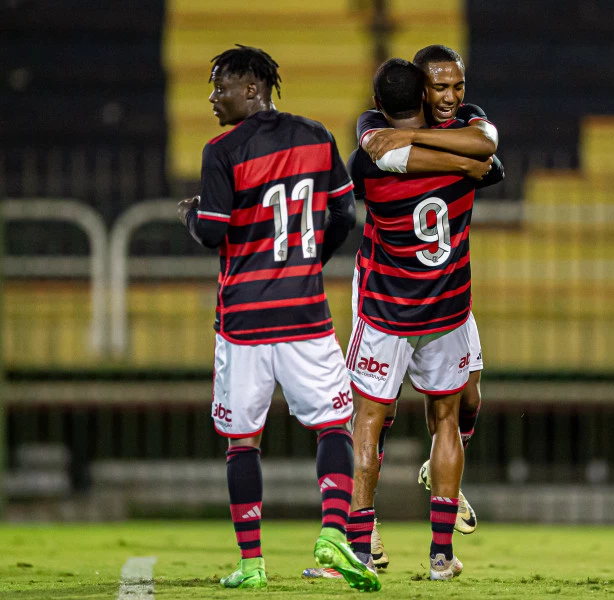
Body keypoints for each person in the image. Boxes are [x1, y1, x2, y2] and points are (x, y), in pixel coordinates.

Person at [176, 44, 380, 592]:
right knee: (331, 425)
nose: (213, 97)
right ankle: (334, 533)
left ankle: (251, 564)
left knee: (243, 441)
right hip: (305, 314)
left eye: (220, 86)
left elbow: (216, 229)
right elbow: (344, 213)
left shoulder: (221, 149)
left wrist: (192, 217)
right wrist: (311, 260)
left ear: (250, 89)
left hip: (244, 320)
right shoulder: (317, 135)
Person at [343, 57, 496, 581]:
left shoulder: (368, 159)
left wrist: (383, 136)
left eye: (457, 85)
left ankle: (358, 546)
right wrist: (461, 164)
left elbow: (368, 160)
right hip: (446, 307)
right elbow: (486, 160)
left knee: (367, 418)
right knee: (448, 417)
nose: (452, 96)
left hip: (388, 308)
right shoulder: (468, 158)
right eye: (441, 87)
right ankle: (439, 555)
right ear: (425, 95)